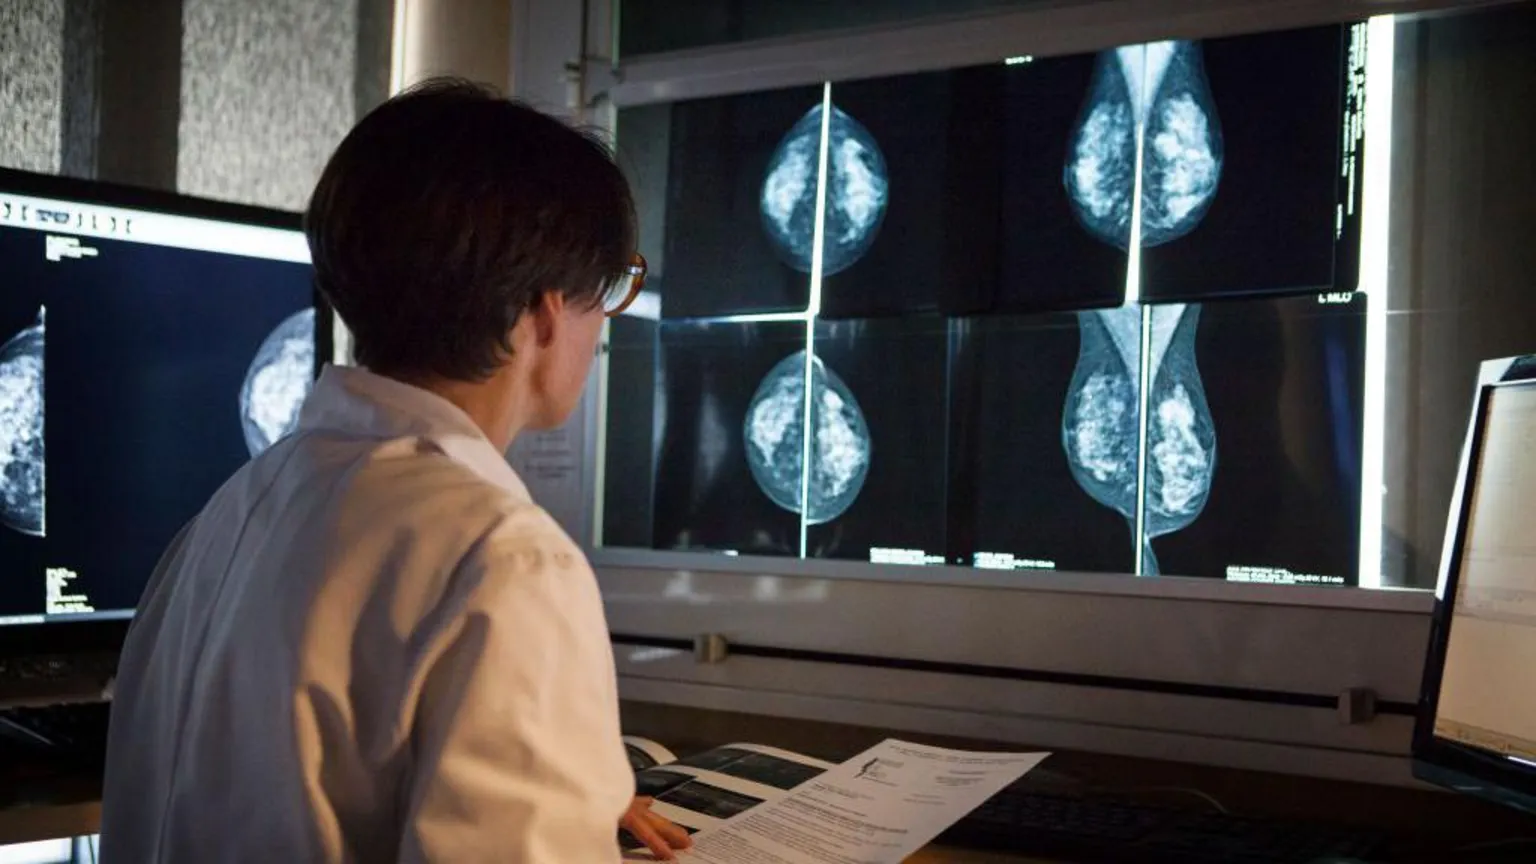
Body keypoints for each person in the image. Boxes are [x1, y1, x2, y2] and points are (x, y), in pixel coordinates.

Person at [100, 78, 691, 862]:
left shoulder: (222, 519)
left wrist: (562, 797)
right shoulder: (504, 561)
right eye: (607, 292)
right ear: (548, 311)